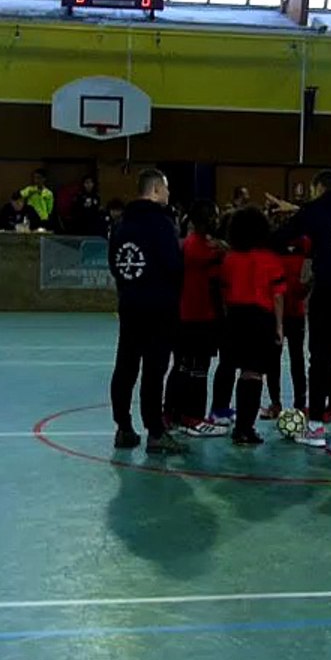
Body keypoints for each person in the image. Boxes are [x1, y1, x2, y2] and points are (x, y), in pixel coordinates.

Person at [266, 170, 331, 448]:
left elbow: (284, 236)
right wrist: (301, 209)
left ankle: (315, 428)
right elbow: (325, 217)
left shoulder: (316, 209)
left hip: (330, 291)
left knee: (321, 358)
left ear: (318, 189)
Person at [108, 169, 186, 455]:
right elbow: (174, 266)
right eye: (165, 189)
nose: (168, 194)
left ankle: (123, 428)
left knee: (126, 366)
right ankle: (155, 431)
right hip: (159, 307)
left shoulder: (120, 225)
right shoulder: (162, 225)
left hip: (129, 304)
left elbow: (116, 264)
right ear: (155, 190)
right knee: (154, 370)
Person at [220, 206, 286, 446]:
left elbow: (224, 293)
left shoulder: (229, 259)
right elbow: (277, 295)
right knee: (254, 374)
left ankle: (239, 426)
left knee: (241, 372)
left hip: (235, 317)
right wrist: (279, 326)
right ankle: (246, 428)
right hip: (260, 318)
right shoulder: (270, 259)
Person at [163, 200, 227, 438]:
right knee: (197, 368)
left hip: (184, 315)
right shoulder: (202, 248)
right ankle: (194, 417)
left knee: (181, 366)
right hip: (198, 316)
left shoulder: (193, 245)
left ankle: (171, 414)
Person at [260, 211, 310, 420]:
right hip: (275, 311)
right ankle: (275, 403)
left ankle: (300, 404)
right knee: (273, 360)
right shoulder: (271, 244)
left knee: (297, 359)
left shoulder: (305, 243)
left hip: (295, 310)